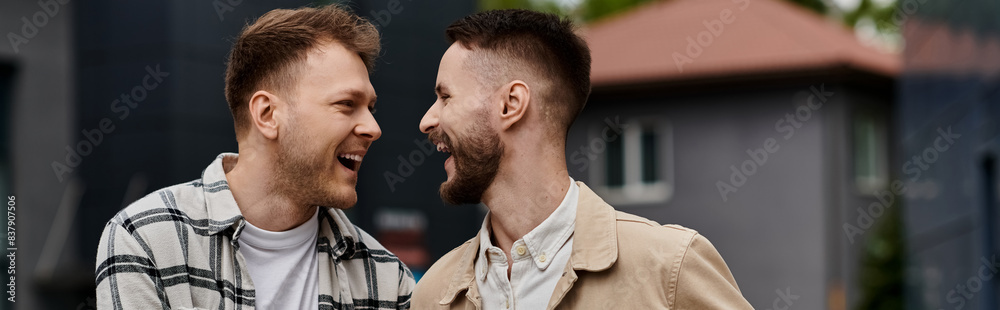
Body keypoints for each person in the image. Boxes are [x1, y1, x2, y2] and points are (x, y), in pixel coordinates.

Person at [412, 9, 752, 309]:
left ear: (510, 104)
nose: (427, 120)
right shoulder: (433, 293)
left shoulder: (669, 267)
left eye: (445, 97)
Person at [94, 5, 413, 309]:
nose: (373, 128)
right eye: (346, 104)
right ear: (267, 114)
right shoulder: (145, 240)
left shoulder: (387, 278)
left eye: (370, 108)